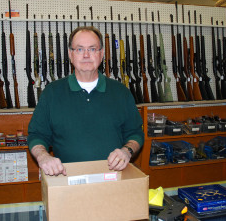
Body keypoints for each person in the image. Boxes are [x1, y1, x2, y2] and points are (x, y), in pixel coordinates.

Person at [28, 26, 144, 176]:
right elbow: (36, 135)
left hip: (112, 180)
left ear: (101, 54)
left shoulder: (121, 92)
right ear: (71, 54)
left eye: (93, 49)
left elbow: (135, 133)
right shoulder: (51, 93)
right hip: (66, 180)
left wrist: (127, 151)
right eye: (80, 49)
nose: (86, 55)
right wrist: (43, 157)